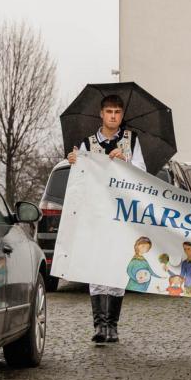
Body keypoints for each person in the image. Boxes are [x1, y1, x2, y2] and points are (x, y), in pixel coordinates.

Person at [67, 92, 146, 345]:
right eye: (109, 112)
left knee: (116, 268)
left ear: (122, 115)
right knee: (96, 267)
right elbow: (79, 178)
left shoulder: (131, 140)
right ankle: (99, 325)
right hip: (95, 213)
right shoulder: (88, 143)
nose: (113, 116)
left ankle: (113, 325)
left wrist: (126, 161)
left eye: (117, 112)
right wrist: (73, 162)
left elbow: (142, 174)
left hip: (121, 214)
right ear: (101, 114)